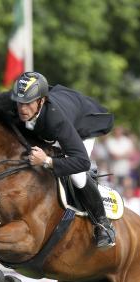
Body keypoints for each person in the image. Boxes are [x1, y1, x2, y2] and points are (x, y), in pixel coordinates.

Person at [10, 71, 115, 248]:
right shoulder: (18, 103)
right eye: (20, 103)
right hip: (59, 114)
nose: (22, 109)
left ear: (41, 101)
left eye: (28, 104)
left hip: (82, 125)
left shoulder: (55, 119)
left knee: (77, 176)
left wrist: (47, 161)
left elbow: (82, 161)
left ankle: (103, 224)